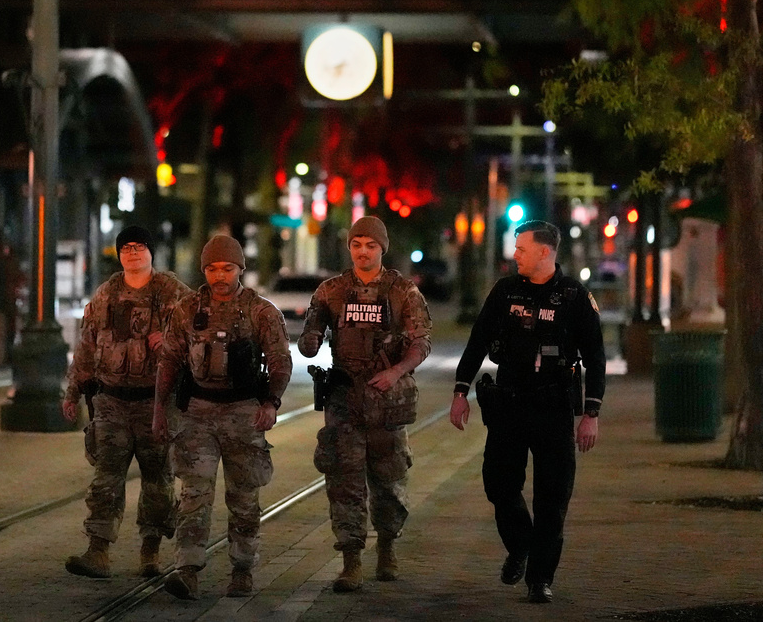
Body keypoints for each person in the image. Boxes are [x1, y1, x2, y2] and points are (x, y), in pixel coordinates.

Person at [449, 219, 606, 604]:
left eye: (521, 248)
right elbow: (478, 342)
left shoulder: (573, 297)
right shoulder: (505, 292)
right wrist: (460, 390)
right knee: (499, 485)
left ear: (544, 252)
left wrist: (591, 414)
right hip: (510, 404)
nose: (514, 254)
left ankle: (540, 579)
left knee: (552, 499)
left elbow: (596, 358)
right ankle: (520, 545)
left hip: (554, 409)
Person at [152, 234, 292, 600]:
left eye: (227, 268)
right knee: (194, 492)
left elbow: (280, 362)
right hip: (197, 412)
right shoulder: (186, 310)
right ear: (203, 270)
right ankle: (187, 568)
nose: (219, 275)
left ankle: (242, 568)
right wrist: (159, 410)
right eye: (212, 269)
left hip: (244, 412)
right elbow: (169, 361)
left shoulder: (261, 312)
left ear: (240, 270)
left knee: (243, 497)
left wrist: (271, 404)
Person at [297, 216, 432, 592]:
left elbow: (421, 342)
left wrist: (397, 371)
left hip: (387, 403)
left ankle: (387, 545)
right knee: (344, 482)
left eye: (370, 245)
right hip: (344, 400)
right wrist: (309, 341)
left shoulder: (403, 292)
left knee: (389, 482)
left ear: (382, 249)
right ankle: (351, 559)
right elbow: (311, 332)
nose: (362, 251)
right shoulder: (331, 291)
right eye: (356, 244)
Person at [62, 225, 191, 579]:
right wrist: (72, 392)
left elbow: (198, 333)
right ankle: (97, 551)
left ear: (151, 252)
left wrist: (167, 342)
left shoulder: (173, 293)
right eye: (126, 248)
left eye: (140, 247)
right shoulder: (106, 295)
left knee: (158, 483)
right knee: (106, 479)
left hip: (156, 403)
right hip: (112, 401)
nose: (133, 253)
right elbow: (86, 347)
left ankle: (151, 551)